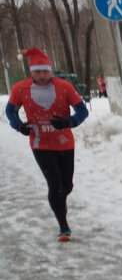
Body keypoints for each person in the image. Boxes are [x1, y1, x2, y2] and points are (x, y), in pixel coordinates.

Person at [5, 48, 89, 240]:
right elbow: (10, 111)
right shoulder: (20, 89)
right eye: (37, 72)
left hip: (64, 142)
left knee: (66, 186)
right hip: (40, 143)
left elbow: (82, 112)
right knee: (55, 185)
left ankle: (61, 200)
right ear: (31, 72)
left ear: (50, 70)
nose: (42, 76)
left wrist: (68, 122)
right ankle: (63, 226)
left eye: (45, 71)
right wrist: (18, 126)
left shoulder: (65, 87)